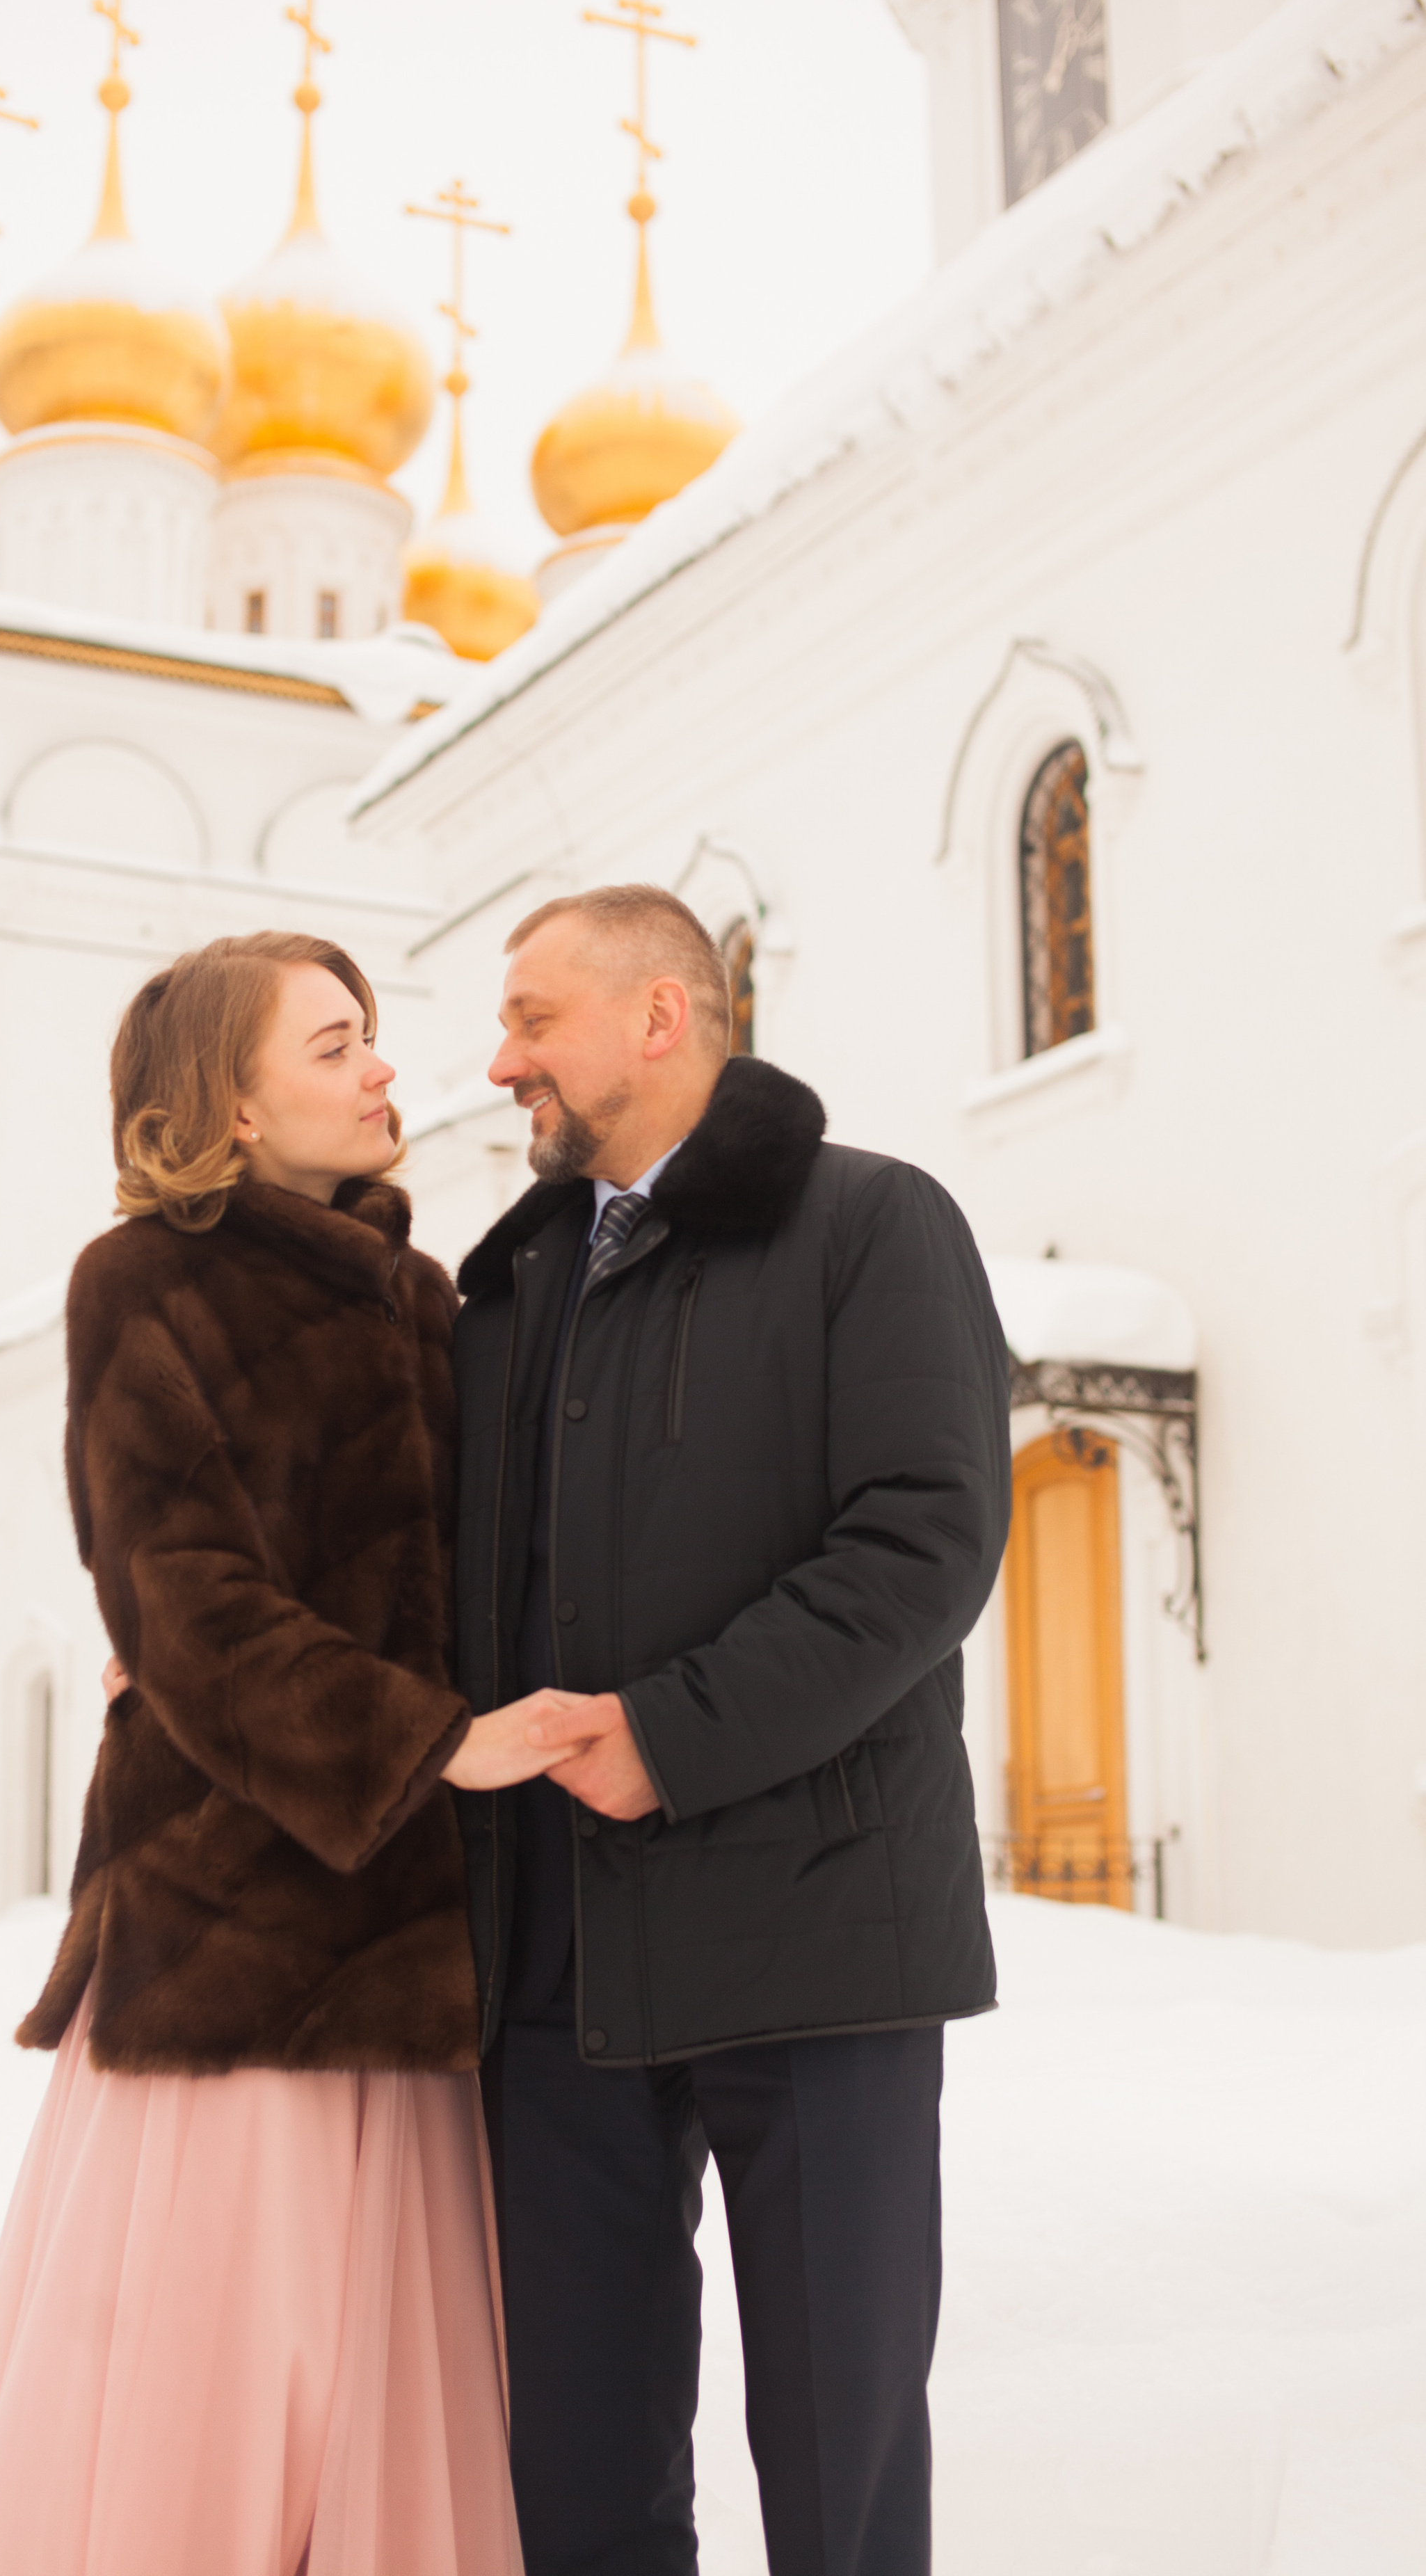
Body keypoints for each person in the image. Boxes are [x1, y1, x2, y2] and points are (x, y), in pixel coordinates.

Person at [0, 932, 579, 2576]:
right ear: (224, 1094)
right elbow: (180, 1601)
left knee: (377, 2417)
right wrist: (437, 1746)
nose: (383, 1071)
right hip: (230, 1937)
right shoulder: (139, 1280)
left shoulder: (429, 1299)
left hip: (412, 1948)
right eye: (337, 1042)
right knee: (213, 2403)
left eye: (372, 1040)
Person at [449, 885, 1014, 2576]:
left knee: (837, 2482)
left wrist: (668, 1736)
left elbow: (922, 1543)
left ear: (658, 1018)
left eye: (532, 1017)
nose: (499, 1060)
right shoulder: (509, 1288)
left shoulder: (871, 1225)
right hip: (559, 1965)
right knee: (578, 2481)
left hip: (817, 1942)